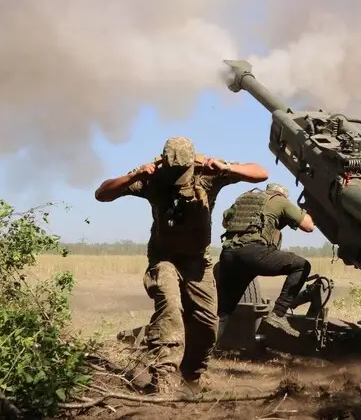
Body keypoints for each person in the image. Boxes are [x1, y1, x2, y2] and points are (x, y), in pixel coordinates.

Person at [94, 136, 268, 393]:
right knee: (170, 309)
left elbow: (261, 173)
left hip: (198, 263)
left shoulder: (208, 174)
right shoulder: (150, 178)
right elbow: (102, 194)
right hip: (165, 259)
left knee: (207, 324)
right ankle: (164, 377)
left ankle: (192, 375)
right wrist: (133, 176)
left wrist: (227, 168)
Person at [216, 182, 315, 338]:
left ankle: (206, 348)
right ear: (282, 194)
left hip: (228, 255)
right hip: (254, 253)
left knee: (223, 311)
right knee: (301, 266)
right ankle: (278, 314)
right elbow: (308, 226)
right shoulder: (280, 200)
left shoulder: (244, 199)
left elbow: (225, 222)